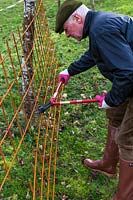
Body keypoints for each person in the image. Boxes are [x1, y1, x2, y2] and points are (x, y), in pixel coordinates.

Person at [55, 0, 133, 199]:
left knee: (128, 138)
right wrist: (70, 70)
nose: (68, 35)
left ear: (78, 18)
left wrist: (112, 98)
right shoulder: (98, 25)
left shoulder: (101, 29)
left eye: (66, 29)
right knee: (114, 113)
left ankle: (124, 196)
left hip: (130, 78)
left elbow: (128, 73)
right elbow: (94, 54)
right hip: (129, 79)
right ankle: (108, 164)